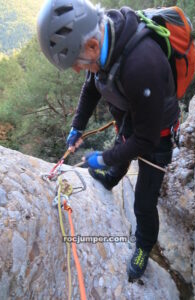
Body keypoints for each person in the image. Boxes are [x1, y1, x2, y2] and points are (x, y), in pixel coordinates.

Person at [37, 0, 180, 281]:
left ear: (91, 45)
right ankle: (114, 175)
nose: (78, 70)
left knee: (143, 201)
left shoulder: (141, 64)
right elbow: (91, 87)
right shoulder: (106, 41)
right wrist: (77, 126)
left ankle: (143, 244)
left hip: (157, 134)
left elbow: (145, 139)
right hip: (131, 115)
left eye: (76, 63)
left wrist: (103, 157)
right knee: (120, 146)